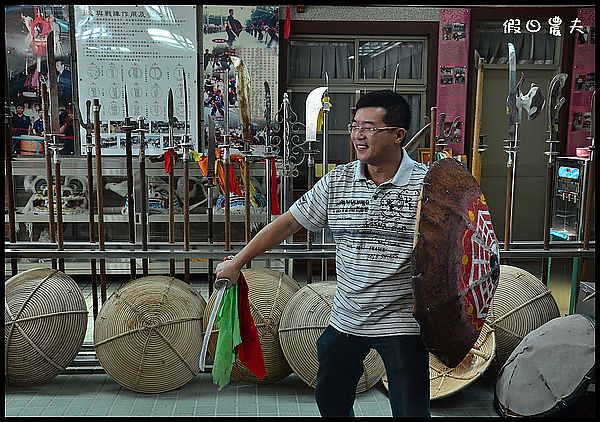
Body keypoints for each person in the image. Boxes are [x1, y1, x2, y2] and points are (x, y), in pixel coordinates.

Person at [214, 90, 431, 417]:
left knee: (411, 412)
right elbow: (287, 223)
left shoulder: (428, 185)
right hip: (347, 318)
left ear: (398, 135)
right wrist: (238, 261)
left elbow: (462, 246)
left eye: (370, 127)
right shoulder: (338, 181)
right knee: (331, 402)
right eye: (355, 125)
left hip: (402, 323)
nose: (358, 134)